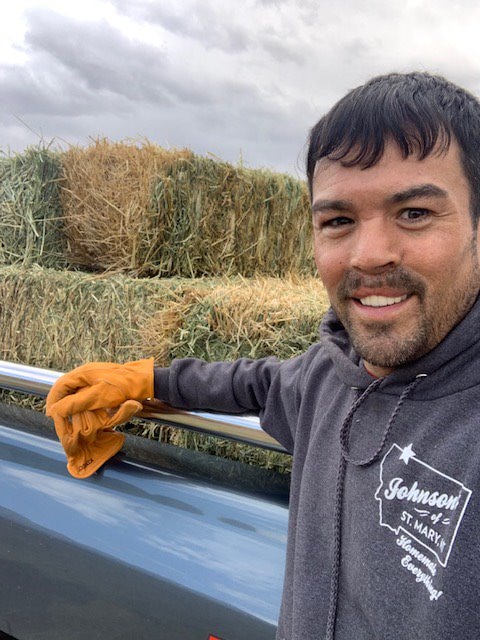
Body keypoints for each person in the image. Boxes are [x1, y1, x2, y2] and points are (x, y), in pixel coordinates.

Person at [46, 72, 480, 640]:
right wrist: (148, 377)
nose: (370, 255)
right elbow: (259, 384)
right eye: (338, 221)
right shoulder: (329, 377)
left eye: (416, 213)